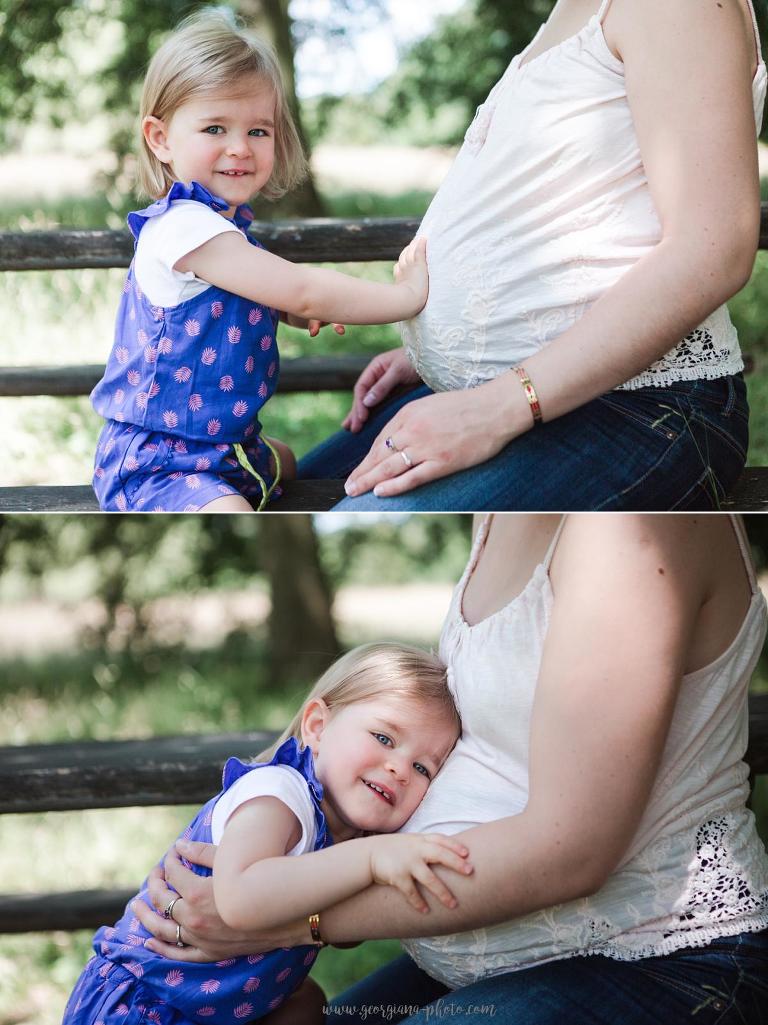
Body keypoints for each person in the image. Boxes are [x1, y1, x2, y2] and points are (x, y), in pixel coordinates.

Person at [133, 514, 768, 1024]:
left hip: (655, 956)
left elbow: (573, 848)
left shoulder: (634, 527)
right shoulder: (495, 517)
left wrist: (295, 922)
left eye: (424, 768)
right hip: (485, 962)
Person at [297, 0, 767, 511]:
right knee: (288, 491)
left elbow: (711, 251)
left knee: (351, 517)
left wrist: (495, 406)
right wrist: (462, 348)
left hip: (638, 409)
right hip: (538, 390)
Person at [90, 9, 428, 513]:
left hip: (230, 449)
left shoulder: (225, 231)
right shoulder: (185, 227)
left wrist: (285, 312)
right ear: (160, 139)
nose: (239, 148)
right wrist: (407, 297)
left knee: (290, 465)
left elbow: (268, 296)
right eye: (214, 128)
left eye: (258, 131)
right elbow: (303, 289)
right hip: (161, 461)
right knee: (234, 515)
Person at [62, 642, 467, 1025]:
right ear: (317, 726)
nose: (399, 767)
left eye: (422, 769)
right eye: (384, 737)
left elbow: (344, 936)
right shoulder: (278, 795)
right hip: (146, 1003)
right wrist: (372, 859)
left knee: (306, 1004)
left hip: (221, 1005)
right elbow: (240, 900)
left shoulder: (351, 835)